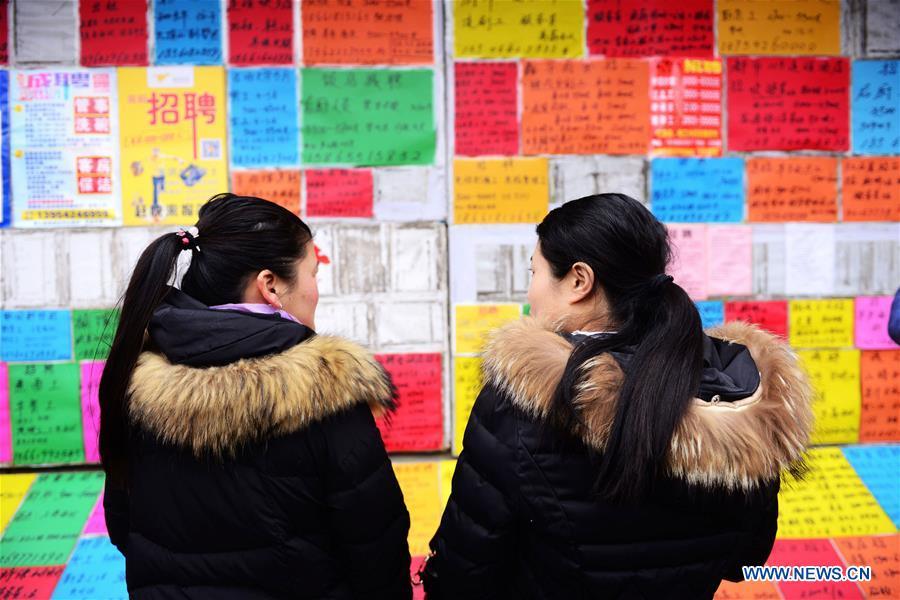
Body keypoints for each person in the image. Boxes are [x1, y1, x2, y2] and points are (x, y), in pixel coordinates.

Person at [423, 194, 814, 599]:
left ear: (579, 281)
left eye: (533, 272)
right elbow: (744, 558)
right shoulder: (746, 395)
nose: (530, 291)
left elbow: (464, 570)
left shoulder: (521, 404)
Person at [99, 193, 412, 599]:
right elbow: (376, 551)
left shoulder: (135, 381)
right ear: (270, 285)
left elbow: (125, 528)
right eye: (312, 274)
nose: (316, 290)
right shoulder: (325, 392)